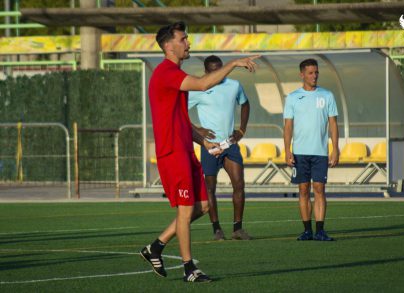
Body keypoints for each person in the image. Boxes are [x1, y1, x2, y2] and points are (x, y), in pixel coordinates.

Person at [140, 21, 259, 283]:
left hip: (186, 151)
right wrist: (234, 63)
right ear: (169, 46)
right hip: (172, 153)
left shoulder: (174, 75)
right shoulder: (166, 72)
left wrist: (202, 142)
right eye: (183, 39)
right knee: (185, 211)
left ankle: (156, 247)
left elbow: (181, 119)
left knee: (203, 205)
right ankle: (189, 270)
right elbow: (204, 84)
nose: (188, 43)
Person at [188, 55, 251, 241]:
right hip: (210, 146)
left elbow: (245, 103)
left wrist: (241, 129)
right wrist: (197, 129)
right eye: (213, 70)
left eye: (220, 68)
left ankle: (237, 229)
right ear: (206, 71)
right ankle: (217, 229)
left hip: (230, 144)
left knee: (239, 184)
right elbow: (180, 112)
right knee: (210, 188)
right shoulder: (198, 88)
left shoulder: (234, 85)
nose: (218, 73)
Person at [283, 58, 339, 242]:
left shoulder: (327, 95)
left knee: (319, 189)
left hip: (320, 152)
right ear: (302, 75)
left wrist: (335, 149)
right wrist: (287, 150)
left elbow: (333, 124)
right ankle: (307, 230)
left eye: (316, 72)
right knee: (304, 189)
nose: (314, 76)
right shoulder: (292, 97)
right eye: (310, 73)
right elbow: (288, 126)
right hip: (299, 152)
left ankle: (320, 230)